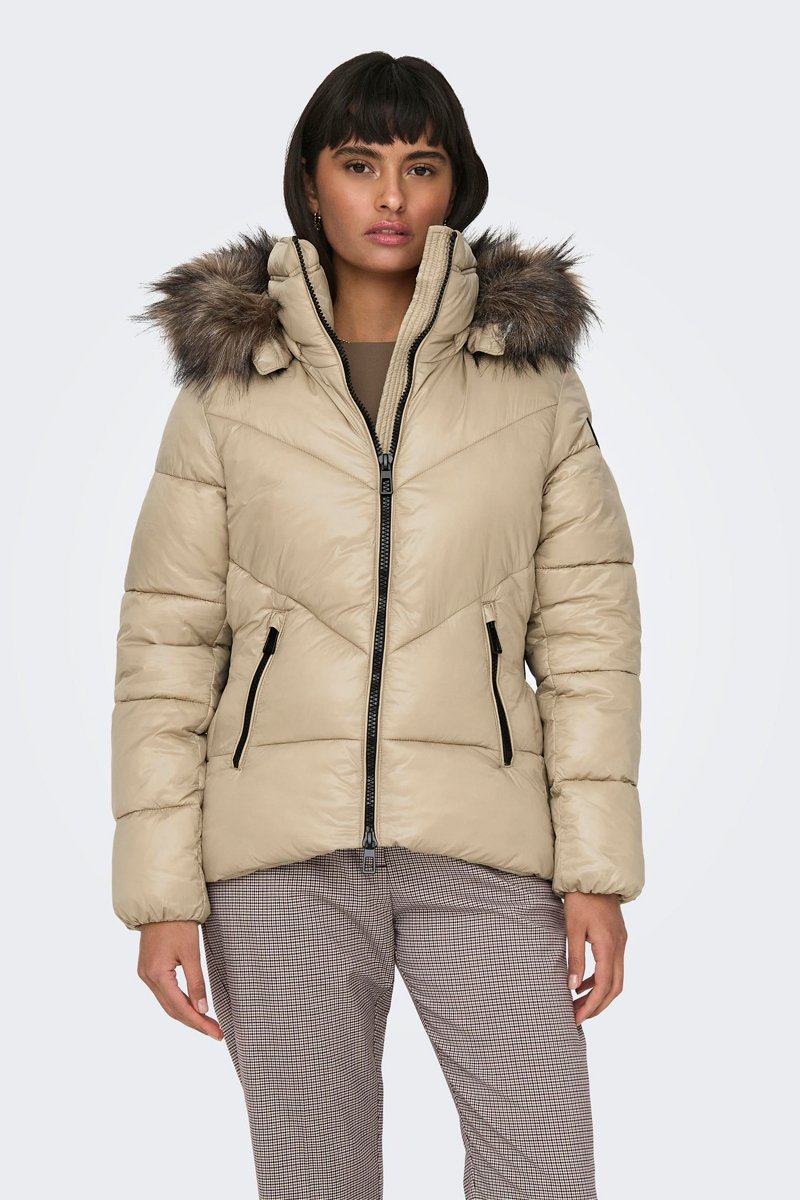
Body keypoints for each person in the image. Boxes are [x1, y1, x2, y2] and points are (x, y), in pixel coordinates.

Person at [111, 50, 644, 1200]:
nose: (391, 197)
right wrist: (160, 897)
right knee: (314, 1182)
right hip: (275, 860)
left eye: (420, 166)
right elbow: (164, 647)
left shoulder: (533, 385)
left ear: (456, 186)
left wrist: (595, 873)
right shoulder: (227, 388)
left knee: (544, 1174)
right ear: (311, 183)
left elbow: (589, 639)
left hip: (483, 848)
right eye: (359, 165)